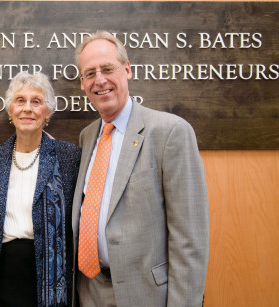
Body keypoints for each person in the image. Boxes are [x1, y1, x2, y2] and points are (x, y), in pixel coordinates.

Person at [72, 31, 210, 306]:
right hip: (90, 292)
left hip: (146, 295)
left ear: (127, 70)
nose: (99, 80)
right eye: (90, 73)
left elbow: (190, 239)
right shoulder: (87, 137)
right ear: (82, 83)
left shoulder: (170, 132)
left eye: (107, 69)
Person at [0, 71, 81, 307]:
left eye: (36, 101)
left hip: (49, 280)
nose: (27, 108)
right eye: (20, 100)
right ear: (11, 110)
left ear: (48, 112)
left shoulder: (68, 156)